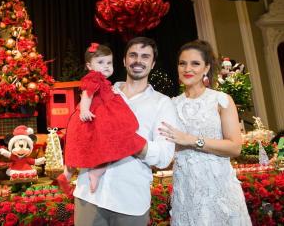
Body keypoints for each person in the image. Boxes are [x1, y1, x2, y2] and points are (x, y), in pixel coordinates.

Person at [73, 37, 178, 226]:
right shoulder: (100, 93)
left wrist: (131, 142)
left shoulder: (163, 104)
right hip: (88, 195)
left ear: (152, 64)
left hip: (130, 202)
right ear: (124, 61)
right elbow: (81, 132)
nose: (138, 60)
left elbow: (164, 157)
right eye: (133, 55)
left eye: (145, 56)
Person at [159, 40, 251, 225]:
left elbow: (234, 147)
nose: (187, 68)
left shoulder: (221, 100)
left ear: (206, 68)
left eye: (195, 63)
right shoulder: (170, 104)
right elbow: (164, 148)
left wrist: (191, 140)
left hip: (220, 191)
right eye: (182, 63)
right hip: (186, 192)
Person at [58, 42, 147, 193]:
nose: (106, 66)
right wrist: (84, 109)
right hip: (96, 114)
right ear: (89, 66)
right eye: (100, 62)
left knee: (85, 145)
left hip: (99, 112)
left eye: (109, 62)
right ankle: (95, 172)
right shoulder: (94, 78)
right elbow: (87, 94)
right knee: (108, 142)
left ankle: (68, 173)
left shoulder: (101, 80)